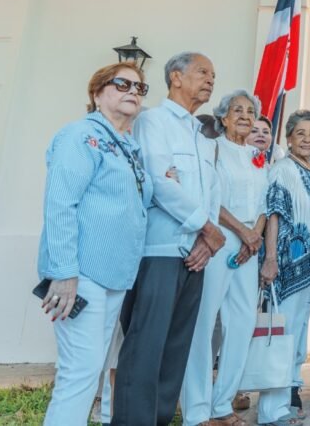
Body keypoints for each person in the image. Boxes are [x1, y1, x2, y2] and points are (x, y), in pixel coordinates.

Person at [112, 52, 226, 426]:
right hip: (158, 251)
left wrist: (206, 242)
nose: (210, 79)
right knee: (145, 348)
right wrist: (207, 228)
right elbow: (160, 182)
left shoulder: (202, 134)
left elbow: (211, 192)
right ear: (175, 77)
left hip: (196, 254)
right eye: (202, 72)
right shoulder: (153, 122)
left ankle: (159, 419)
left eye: (213, 74)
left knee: (175, 349)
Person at [38, 64, 152, 425]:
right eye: (122, 83)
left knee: (95, 368)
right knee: (80, 371)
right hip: (80, 273)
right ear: (97, 92)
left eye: (139, 86)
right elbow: (60, 203)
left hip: (114, 275)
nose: (133, 90)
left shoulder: (129, 147)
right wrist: (63, 273)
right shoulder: (80, 136)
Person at [181, 90, 268, 426]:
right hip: (217, 241)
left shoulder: (258, 156)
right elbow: (208, 197)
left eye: (251, 111)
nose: (245, 116)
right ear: (223, 117)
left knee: (242, 324)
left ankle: (222, 403)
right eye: (238, 110)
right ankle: (197, 411)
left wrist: (255, 235)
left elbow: (264, 202)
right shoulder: (212, 148)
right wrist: (241, 232)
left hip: (250, 247)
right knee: (204, 324)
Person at [257, 110, 310, 426]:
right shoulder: (283, 169)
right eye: (300, 133)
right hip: (287, 266)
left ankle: (282, 402)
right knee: (282, 336)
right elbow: (274, 214)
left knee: (295, 335)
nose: (307, 139)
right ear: (288, 138)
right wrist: (271, 258)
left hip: (308, 269)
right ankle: (270, 411)